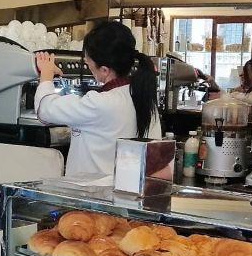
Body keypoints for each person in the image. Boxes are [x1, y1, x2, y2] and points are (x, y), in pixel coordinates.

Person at [34, 21, 162, 176]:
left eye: (89, 63)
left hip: (92, 194)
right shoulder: (144, 98)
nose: (86, 62)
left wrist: (46, 74)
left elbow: (45, 109)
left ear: (104, 70)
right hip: (124, 193)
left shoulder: (101, 103)